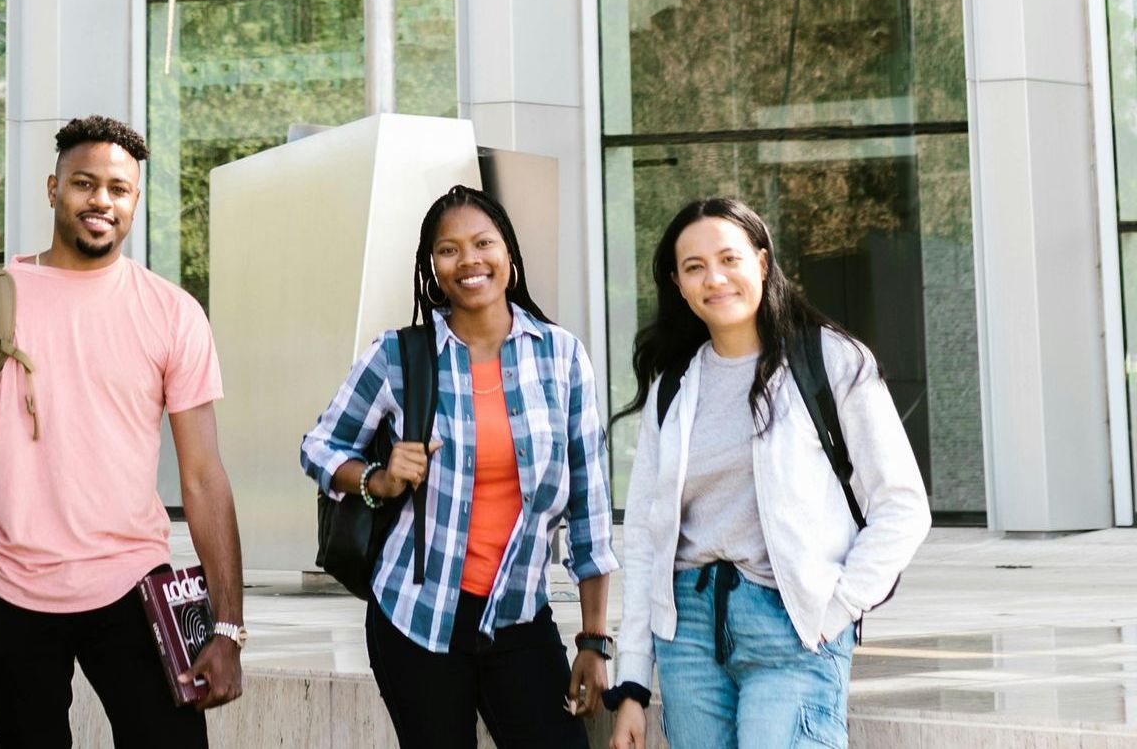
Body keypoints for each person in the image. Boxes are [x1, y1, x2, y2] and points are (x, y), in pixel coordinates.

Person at [0, 115, 245, 748]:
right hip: (9, 588)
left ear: (135, 201)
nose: (101, 200)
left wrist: (228, 627)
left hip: (134, 586)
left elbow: (205, 475)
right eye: (84, 183)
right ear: (53, 189)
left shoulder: (172, 313)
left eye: (119, 188)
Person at [606, 197, 931, 749]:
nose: (715, 278)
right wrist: (632, 684)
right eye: (694, 267)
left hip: (793, 626)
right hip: (687, 636)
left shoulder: (831, 360)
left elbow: (902, 504)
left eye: (729, 258)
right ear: (678, 285)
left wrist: (837, 605)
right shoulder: (675, 387)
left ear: (761, 260)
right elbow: (643, 540)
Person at [300, 185, 617, 748]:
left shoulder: (562, 356)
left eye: (482, 243)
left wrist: (594, 640)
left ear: (509, 256)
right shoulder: (398, 356)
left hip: (519, 617)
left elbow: (590, 506)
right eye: (448, 250)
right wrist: (378, 478)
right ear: (432, 270)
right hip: (415, 617)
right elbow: (320, 447)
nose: (469, 260)